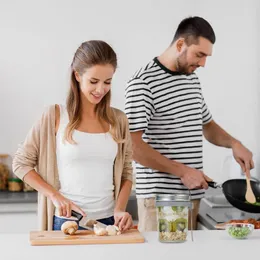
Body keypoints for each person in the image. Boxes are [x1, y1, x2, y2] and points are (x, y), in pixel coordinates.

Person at [125, 16, 254, 231]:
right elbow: (133, 146)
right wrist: (183, 172)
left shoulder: (190, 77)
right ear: (180, 45)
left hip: (192, 198)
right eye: (199, 54)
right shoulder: (143, 83)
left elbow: (207, 125)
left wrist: (234, 143)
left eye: (206, 56)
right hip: (160, 202)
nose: (203, 63)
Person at [13, 40, 133, 231]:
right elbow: (21, 163)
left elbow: (127, 172)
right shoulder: (55, 115)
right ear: (77, 75)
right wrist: (55, 196)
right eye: (94, 81)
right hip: (68, 222)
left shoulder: (118, 120)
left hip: (110, 222)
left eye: (107, 82)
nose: (101, 89)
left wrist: (119, 210)